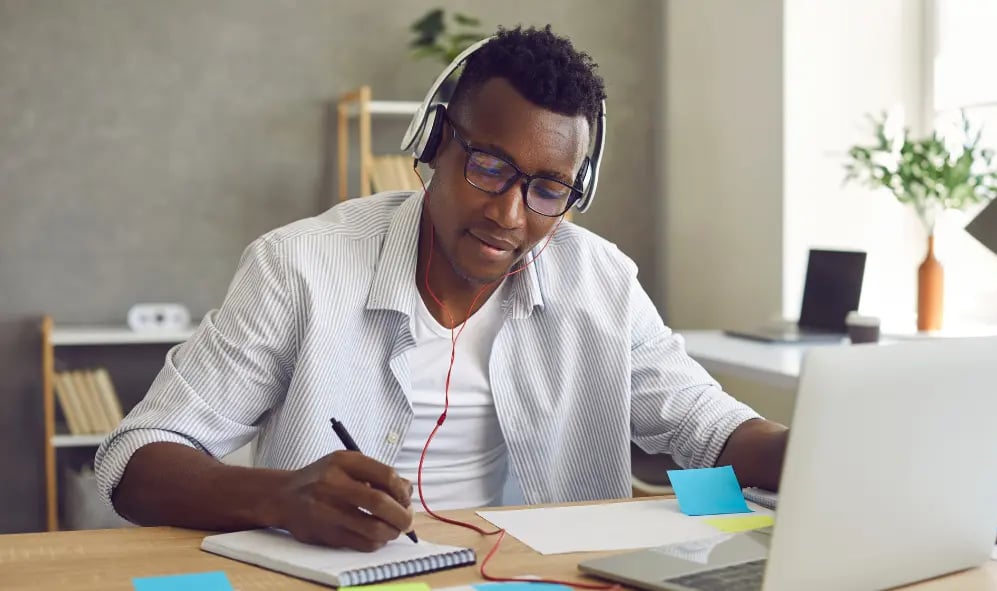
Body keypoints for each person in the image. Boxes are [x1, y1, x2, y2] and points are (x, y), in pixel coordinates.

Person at [95, 25, 787, 553]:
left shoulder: (601, 282)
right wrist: (281, 496)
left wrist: (808, 451)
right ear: (432, 144)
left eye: (548, 190)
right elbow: (133, 460)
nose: (509, 215)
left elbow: (707, 427)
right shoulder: (300, 267)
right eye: (488, 166)